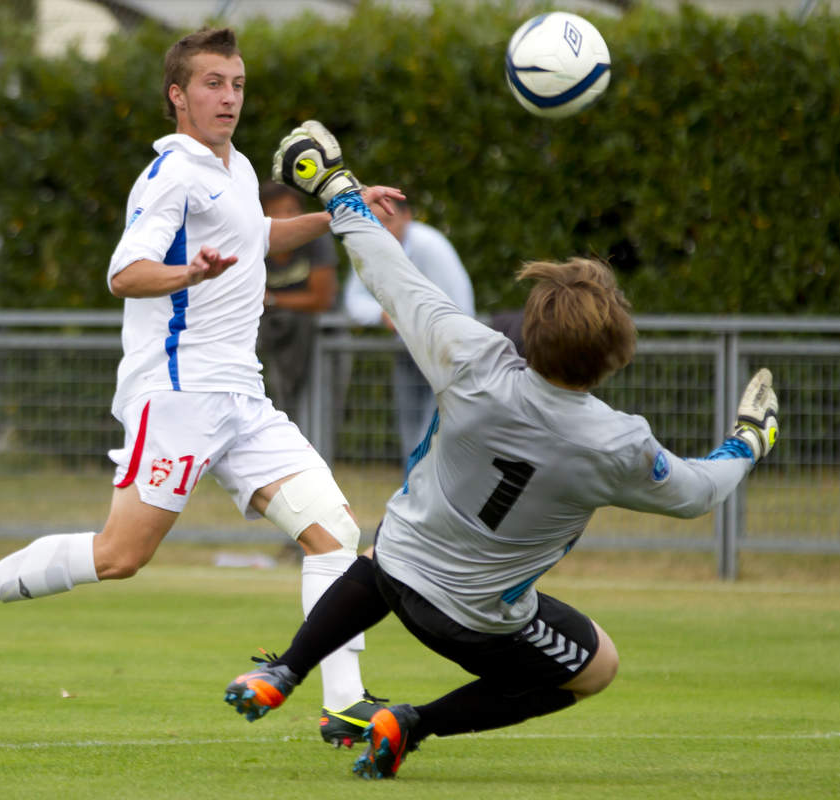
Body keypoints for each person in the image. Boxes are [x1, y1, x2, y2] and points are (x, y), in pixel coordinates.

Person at [223, 122, 780, 779]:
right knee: (596, 667)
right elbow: (696, 493)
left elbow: (388, 271)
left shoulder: (476, 358)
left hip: (394, 576)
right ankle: (413, 723)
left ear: (531, 326)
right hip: (476, 622)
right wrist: (749, 439)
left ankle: (286, 668)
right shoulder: (616, 442)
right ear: (612, 357)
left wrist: (337, 183)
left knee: (387, 548)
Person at [0, 30, 403, 749]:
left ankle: (344, 702)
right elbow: (124, 273)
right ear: (178, 94)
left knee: (335, 535)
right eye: (212, 84)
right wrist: (188, 274)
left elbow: (258, 236)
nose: (228, 97)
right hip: (177, 393)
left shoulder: (233, 168)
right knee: (120, 556)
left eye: (236, 84)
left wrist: (344, 215)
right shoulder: (170, 177)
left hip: (240, 397)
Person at [342, 197, 474, 459]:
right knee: (410, 431)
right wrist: (384, 313)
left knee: (435, 432)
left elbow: (460, 303)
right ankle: (411, 490)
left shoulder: (431, 246)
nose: (383, 230)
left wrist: (410, 317)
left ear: (407, 216)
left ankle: (424, 489)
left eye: (388, 221)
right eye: (376, 222)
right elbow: (353, 302)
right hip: (409, 352)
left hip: (448, 355)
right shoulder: (367, 248)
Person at [256, 181, 339, 426]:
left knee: (318, 411)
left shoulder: (316, 239)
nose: (285, 217)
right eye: (276, 211)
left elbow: (322, 300)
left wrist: (271, 299)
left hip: (321, 338)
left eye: (291, 210)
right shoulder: (252, 240)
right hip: (269, 336)